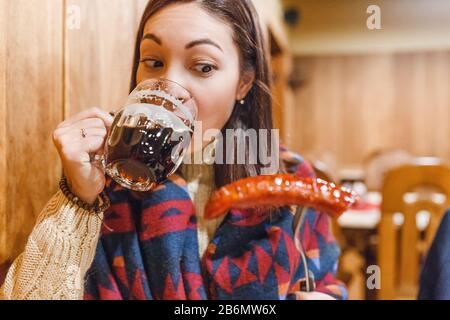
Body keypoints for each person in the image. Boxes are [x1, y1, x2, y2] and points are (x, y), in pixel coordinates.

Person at [0, 0, 346, 300]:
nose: (172, 87)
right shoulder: (108, 181)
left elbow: (323, 281)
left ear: (243, 81)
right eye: (153, 62)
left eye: (203, 66)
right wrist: (79, 198)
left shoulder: (290, 178)